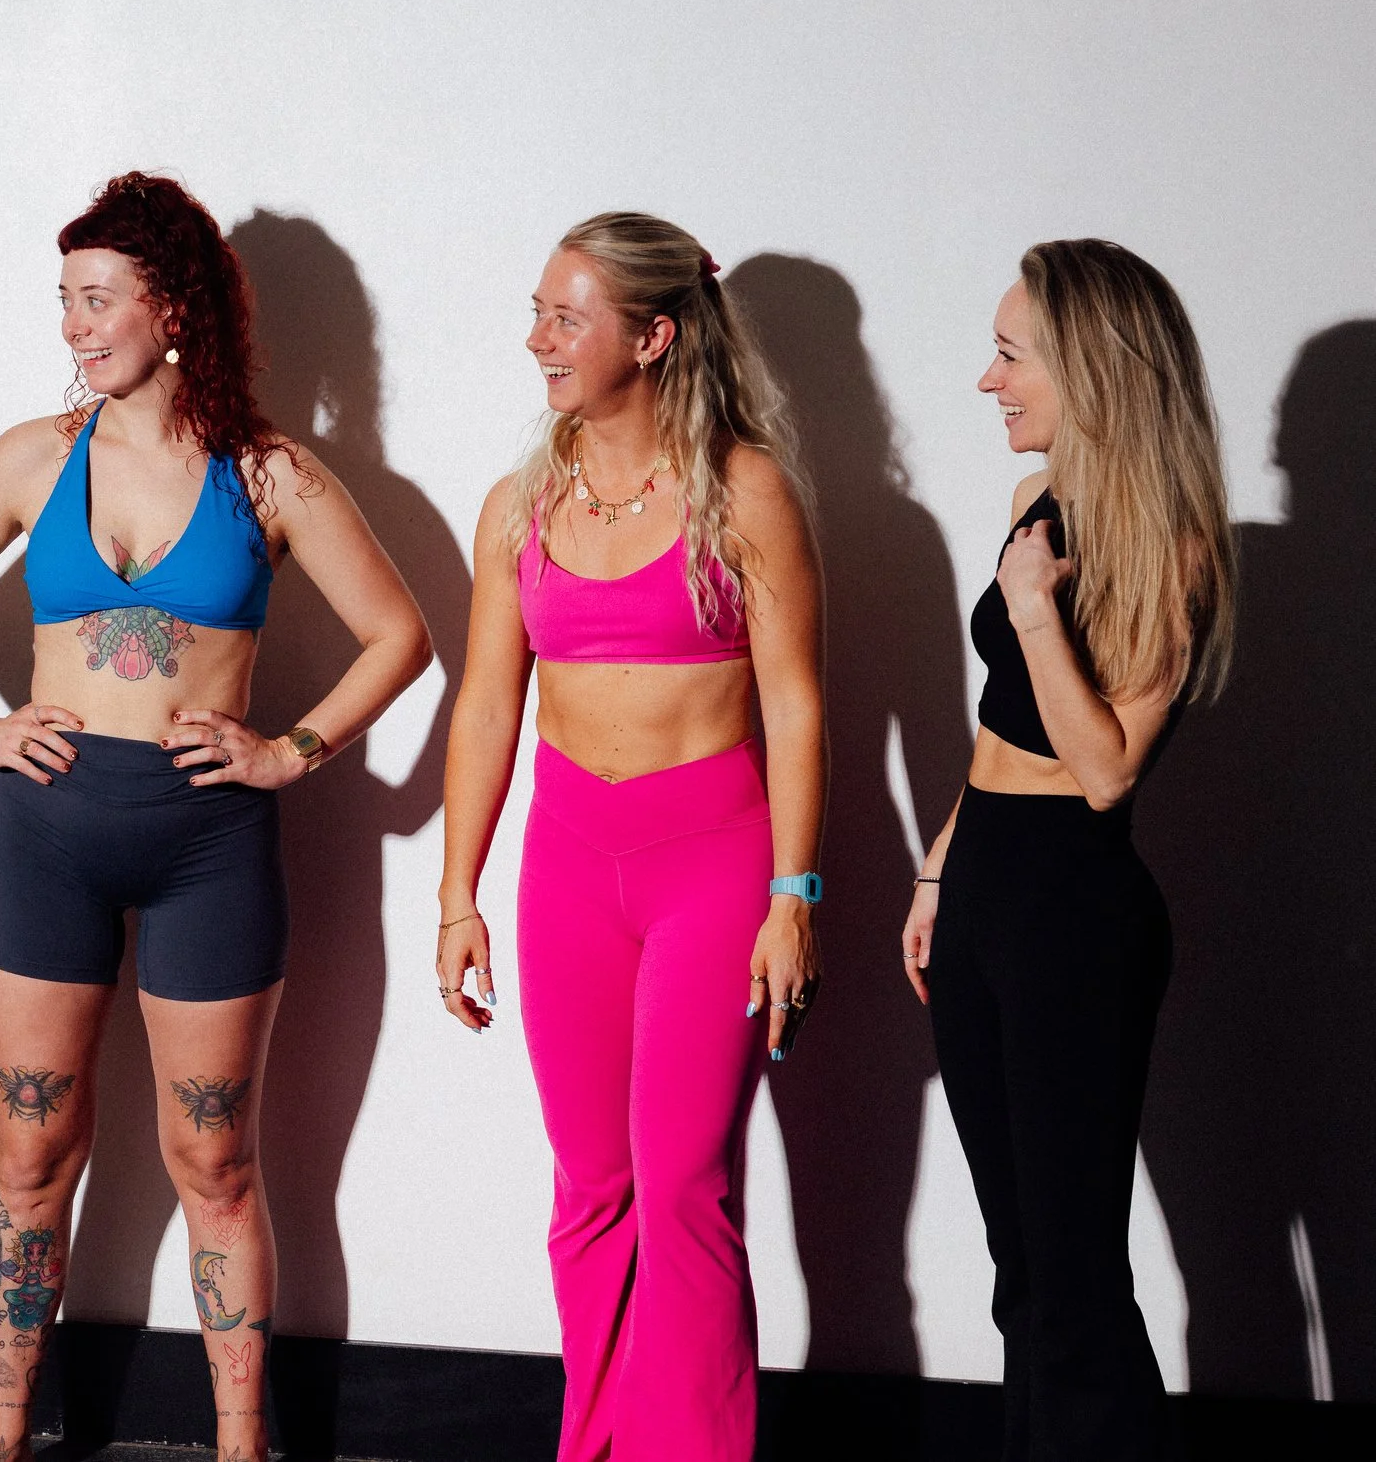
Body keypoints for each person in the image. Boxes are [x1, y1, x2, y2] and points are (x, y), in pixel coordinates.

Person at [0, 172, 429, 1462]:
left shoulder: (271, 471)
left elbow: (398, 634)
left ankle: (243, 1443)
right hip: (43, 836)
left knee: (216, 1163)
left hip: (206, 844)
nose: (72, 325)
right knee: (31, 1154)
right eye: (63, 301)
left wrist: (290, 750)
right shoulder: (34, 454)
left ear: (172, 303)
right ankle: (2, 1433)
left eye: (95, 299)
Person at [435, 212, 823, 1461]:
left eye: (567, 316)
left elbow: (799, 704)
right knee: (590, 1186)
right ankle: (592, 1444)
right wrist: (458, 893)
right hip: (567, 866)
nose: (537, 337)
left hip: (708, 860)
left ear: (652, 337)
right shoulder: (519, 504)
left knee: (684, 1187)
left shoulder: (743, 486)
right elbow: (489, 701)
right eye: (539, 309)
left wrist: (793, 894)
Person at [901, 240, 1235, 1459]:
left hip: (1074, 913)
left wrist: (1035, 605)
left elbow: (1101, 770)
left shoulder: (1171, 548)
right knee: (1020, 1266)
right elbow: (1005, 726)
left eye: (1009, 353)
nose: (988, 380)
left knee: (1077, 1273)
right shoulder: (1029, 509)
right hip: (988, 874)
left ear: (1089, 372)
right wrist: (940, 863)